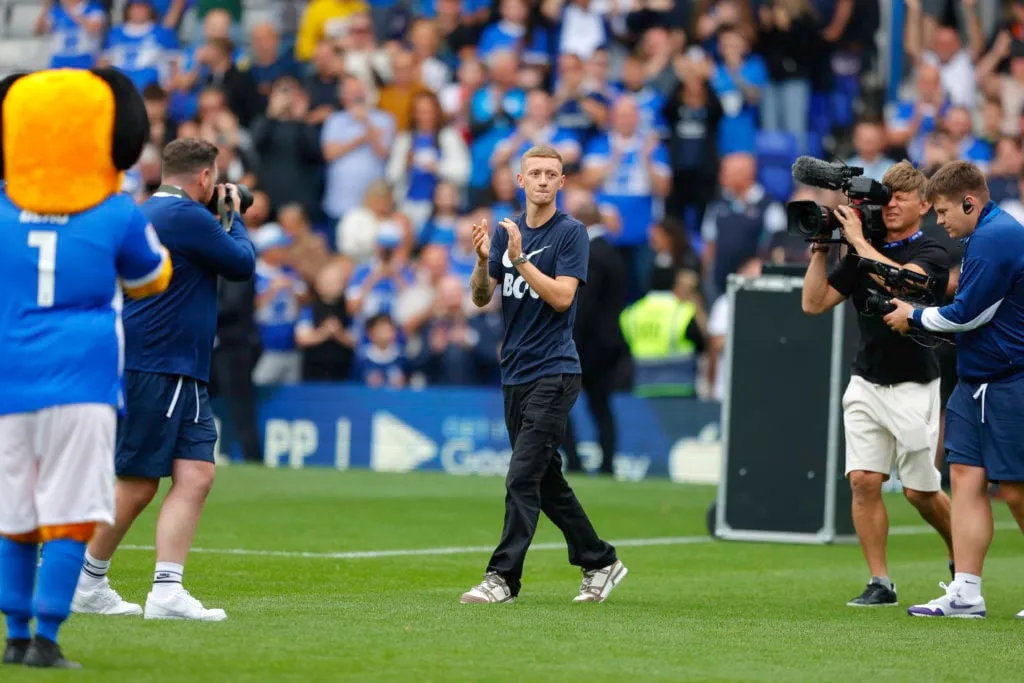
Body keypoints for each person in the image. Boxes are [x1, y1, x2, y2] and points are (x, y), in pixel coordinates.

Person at [0, 69, 172, 668]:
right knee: (72, 513)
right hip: (82, 380)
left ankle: (14, 634)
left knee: (15, 515)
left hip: (9, 379)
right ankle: (46, 637)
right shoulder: (113, 212)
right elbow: (153, 278)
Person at [71, 138, 256, 621]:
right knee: (136, 482)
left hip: (175, 364)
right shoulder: (183, 215)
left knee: (196, 474)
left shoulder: (148, 211)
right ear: (203, 178)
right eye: (214, 179)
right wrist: (234, 214)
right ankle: (83, 580)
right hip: (160, 361)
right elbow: (242, 264)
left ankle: (166, 590)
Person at [461, 144, 627, 604]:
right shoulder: (505, 231)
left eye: (550, 174)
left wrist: (520, 259)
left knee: (520, 476)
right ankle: (600, 561)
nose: (541, 180)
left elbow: (561, 298)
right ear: (520, 181)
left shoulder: (571, 234)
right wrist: (481, 262)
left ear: (561, 183)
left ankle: (502, 578)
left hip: (555, 370)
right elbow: (480, 298)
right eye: (533, 172)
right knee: (544, 479)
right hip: (514, 372)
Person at [801, 160, 955, 607]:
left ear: (924, 205)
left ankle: (958, 551)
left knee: (920, 492)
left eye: (902, 198)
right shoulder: (862, 248)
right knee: (864, 481)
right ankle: (880, 581)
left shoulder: (933, 250)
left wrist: (857, 242)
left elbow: (914, 285)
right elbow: (814, 304)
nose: (890, 206)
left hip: (914, 382)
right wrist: (820, 251)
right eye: (885, 197)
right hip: (866, 378)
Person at [885, 160, 1024, 619]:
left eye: (943, 211)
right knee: (964, 478)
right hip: (977, 378)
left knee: (1019, 490)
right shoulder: (983, 235)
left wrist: (915, 315)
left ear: (970, 202)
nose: (939, 221)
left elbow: (966, 315)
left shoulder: (995, 237)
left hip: (1012, 379)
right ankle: (966, 592)